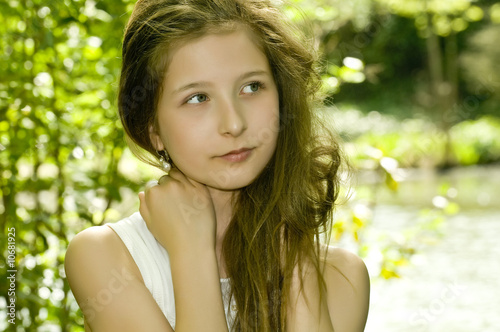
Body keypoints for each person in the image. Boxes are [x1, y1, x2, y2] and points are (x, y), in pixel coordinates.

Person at [64, 0, 370, 331]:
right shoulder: (106, 259)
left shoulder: (342, 277)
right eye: (197, 98)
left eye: (251, 87)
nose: (234, 124)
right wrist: (191, 251)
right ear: (152, 128)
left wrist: (299, 267)